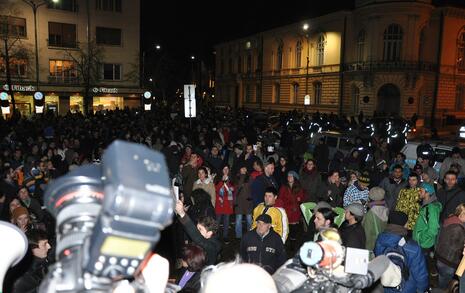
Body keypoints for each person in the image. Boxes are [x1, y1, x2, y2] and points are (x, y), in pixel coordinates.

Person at [374, 211, 429, 293]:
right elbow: (420, 274)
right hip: (406, 288)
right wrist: (421, 289)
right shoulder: (413, 247)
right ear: (404, 224)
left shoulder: (380, 239)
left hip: (386, 284)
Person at [175, 200, 221, 265]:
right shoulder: (205, 238)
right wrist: (182, 213)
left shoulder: (213, 246)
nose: (196, 231)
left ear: (209, 233)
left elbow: (198, 239)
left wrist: (182, 213)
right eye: (197, 228)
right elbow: (190, 229)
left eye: (200, 229)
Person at [435, 204, 465, 289]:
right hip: (448, 262)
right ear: (461, 214)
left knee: (442, 277)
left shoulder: (451, 220)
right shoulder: (458, 228)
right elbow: (457, 248)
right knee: (445, 281)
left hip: (440, 256)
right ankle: (442, 290)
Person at [12, 229, 51, 293]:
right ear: (32, 249)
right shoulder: (21, 277)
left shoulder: (43, 261)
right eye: (44, 244)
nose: (49, 246)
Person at [412, 182, 442, 251]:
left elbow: (433, 230)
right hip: (420, 242)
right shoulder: (425, 205)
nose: (418, 192)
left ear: (427, 193)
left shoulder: (431, 208)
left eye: (421, 191)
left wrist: (421, 237)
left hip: (424, 244)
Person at [278, 171, 305, 242]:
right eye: (288, 176)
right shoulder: (283, 187)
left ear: (294, 178)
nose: (289, 177)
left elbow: (301, 198)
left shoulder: (299, 187)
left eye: (291, 176)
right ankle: (285, 241)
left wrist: (299, 199)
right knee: (286, 227)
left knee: (294, 229)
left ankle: (293, 241)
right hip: (286, 210)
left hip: (295, 211)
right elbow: (280, 199)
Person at [362, 187, 389, 251]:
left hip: (371, 245)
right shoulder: (386, 210)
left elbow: (367, 233)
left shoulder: (371, 213)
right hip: (381, 245)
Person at [214, 165, 234, 243]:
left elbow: (232, 190)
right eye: (224, 169)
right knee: (217, 221)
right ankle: (216, 236)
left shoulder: (231, 180)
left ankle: (225, 236)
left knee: (226, 221)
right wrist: (222, 182)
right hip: (219, 203)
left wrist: (226, 183)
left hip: (227, 204)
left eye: (227, 169)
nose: (225, 170)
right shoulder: (218, 179)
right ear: (221, 170)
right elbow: (216, 189)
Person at [233, 165, 253, 239]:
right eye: (242, 167)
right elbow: (236, 188)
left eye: (245, 168)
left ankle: (250, 235)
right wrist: (242, 176)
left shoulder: (250, 178)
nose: (244, 169)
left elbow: (252, 188)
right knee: (238, 220)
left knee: (249, 220)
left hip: (248, 202)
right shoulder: (236, 178)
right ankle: (238, 236)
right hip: (239, 202)